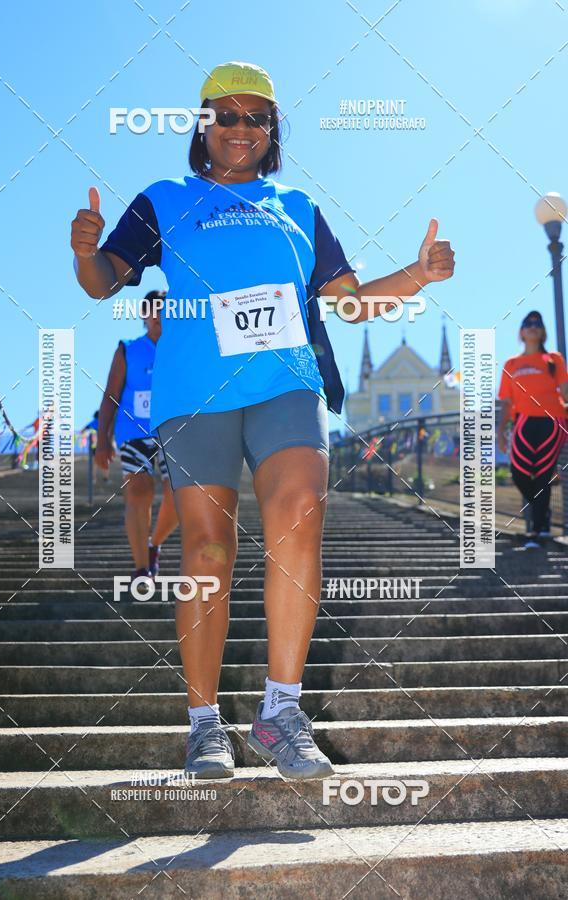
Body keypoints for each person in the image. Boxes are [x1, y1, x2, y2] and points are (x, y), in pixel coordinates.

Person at [71, 61, 455, 780]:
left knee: (300, 507)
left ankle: (281, 711)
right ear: (203, 123)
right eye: (227, 114)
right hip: (195, 392)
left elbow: (349, 301)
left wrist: (417, 275)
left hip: (285, 382)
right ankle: (204, 724)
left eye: (257, 117)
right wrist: (85, 250)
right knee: (208, 550)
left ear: (272, 129)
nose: (241, 128)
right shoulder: (165, 198)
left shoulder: (299, 204)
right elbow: (102, 284)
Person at [94, 292, 178, 579]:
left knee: (178, 496)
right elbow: (110, 396)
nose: (159, 315)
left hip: (173, 433)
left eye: (165, 310)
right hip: (133, 432)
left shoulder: (182, 348)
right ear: (143, 314)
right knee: (139, 491)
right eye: (154, 310)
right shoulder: (128, 349)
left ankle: (155, 544)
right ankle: (141, 568)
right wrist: (102, 441)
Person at [498, 310, 568, 548]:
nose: (533, 326)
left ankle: (538, 532)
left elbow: (565, 392)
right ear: (521, 332)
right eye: (528, 323)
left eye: (538, 323)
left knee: (542, 473)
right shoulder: (512, 364)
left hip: (553, 420)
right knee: (518, 472)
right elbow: (506, 402)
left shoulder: (554, 359)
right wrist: (499, 432)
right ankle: (542, 515)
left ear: (543, 331)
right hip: (523, 421)